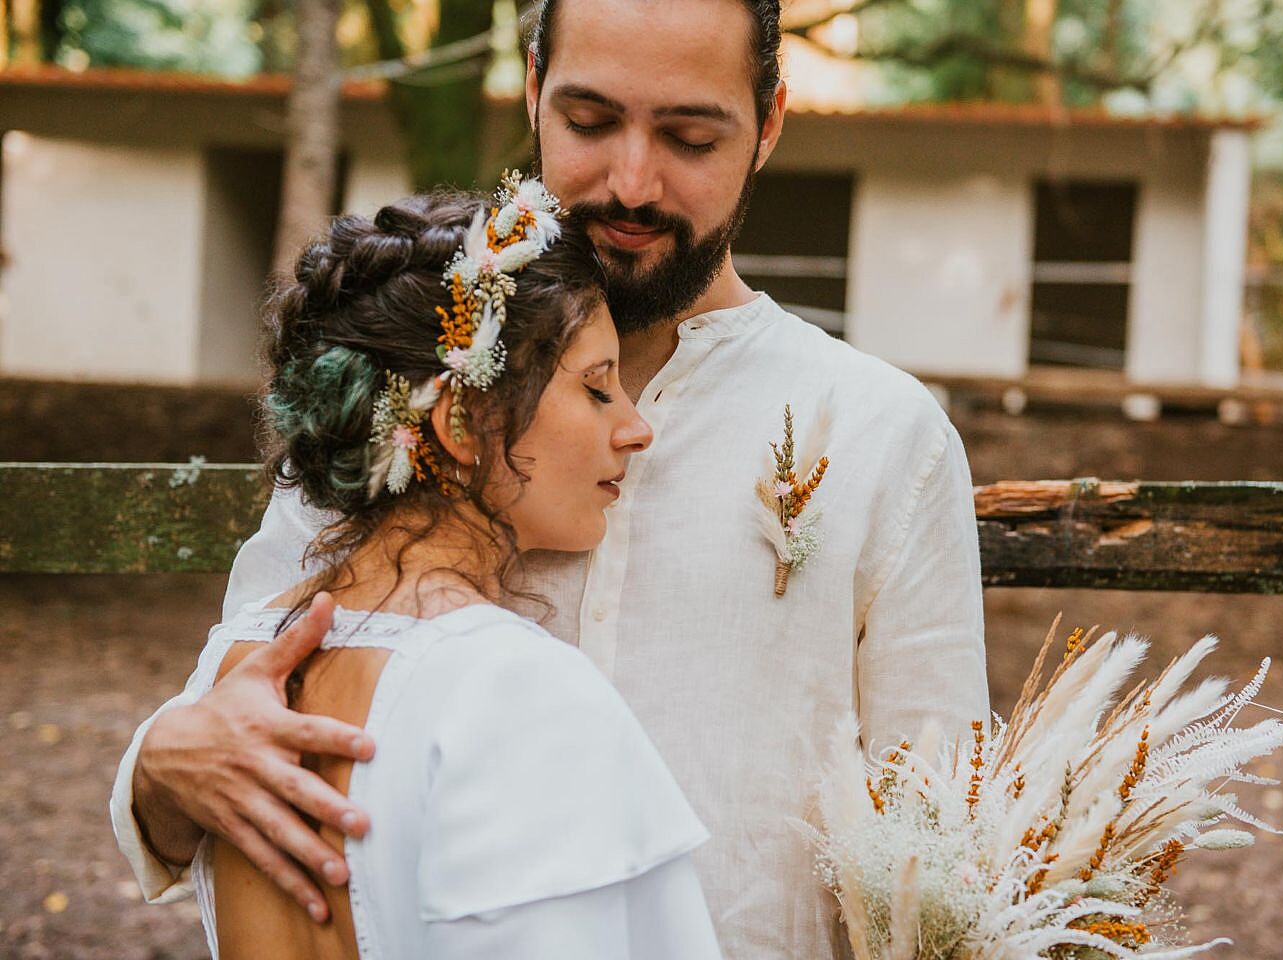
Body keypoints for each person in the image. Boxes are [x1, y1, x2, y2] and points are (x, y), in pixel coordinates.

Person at [113, 0, 990, 955]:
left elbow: (937, 841)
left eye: (691, 136)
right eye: (589, 122)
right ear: (533, 89)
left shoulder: (883, 433)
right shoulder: (401, 392)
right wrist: (161, 768)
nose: (631, 180)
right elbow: (240, 697)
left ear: (769, 122)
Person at [119, 182, 724, 958]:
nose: (636, 428)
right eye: (598, 386)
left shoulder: (240, 662)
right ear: (463, 422)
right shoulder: (514, 687)